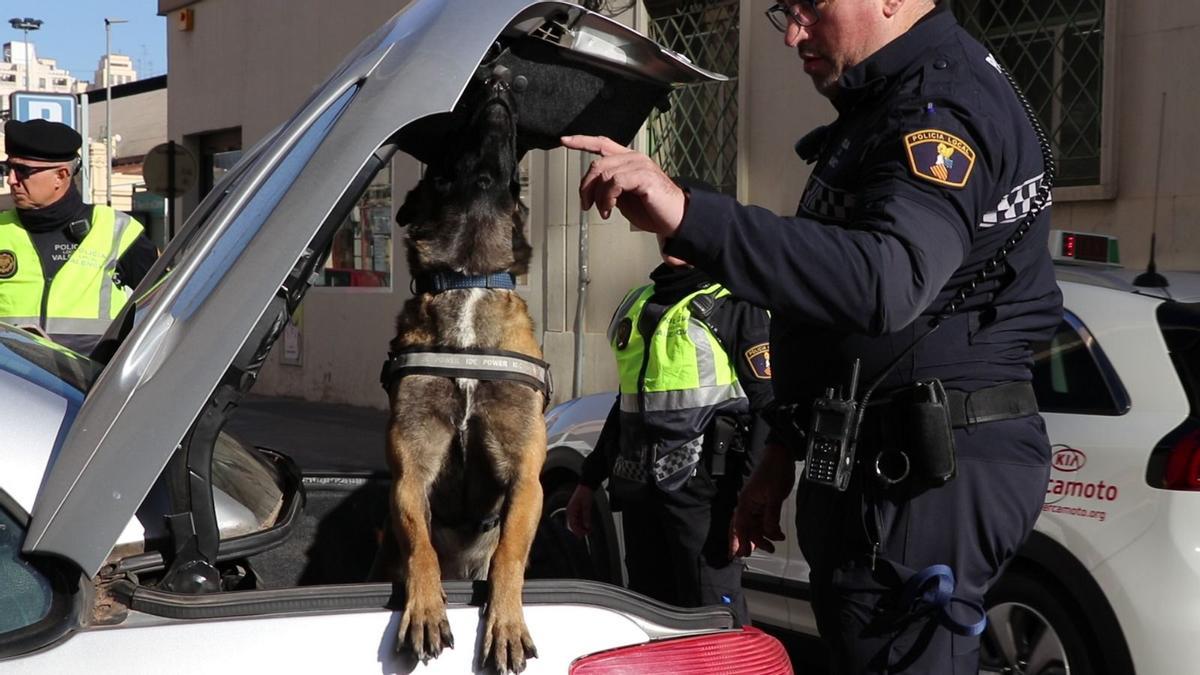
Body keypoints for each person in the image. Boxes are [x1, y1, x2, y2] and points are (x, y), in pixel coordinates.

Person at [562, 0, 1062, 671]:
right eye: (785, 12)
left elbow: (888, 280)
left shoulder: (939, 104)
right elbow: (835, 309)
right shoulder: (888, 100)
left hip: (927, 467)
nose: (795, 34)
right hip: (884, 455)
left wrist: (688, 214)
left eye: (811, 7)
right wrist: (787, 445)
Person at [565, 234, 775, 626]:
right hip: (640, 495)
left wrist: (746, 502)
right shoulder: (639, 302)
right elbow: (627, 403)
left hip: (707, 502)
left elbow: (767, 411)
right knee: (651, 626)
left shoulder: (736, 306)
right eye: (665, 227)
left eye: (682, 226)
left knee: (714, 629)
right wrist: (588, 482)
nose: (673, 237)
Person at [0, 119, 157, 354]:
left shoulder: (117, 230)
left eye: (23, 171)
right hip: (14, 387)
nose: (11, 179)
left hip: (94, 386)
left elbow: (173, 308)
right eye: (7, 168)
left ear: (61, 175)